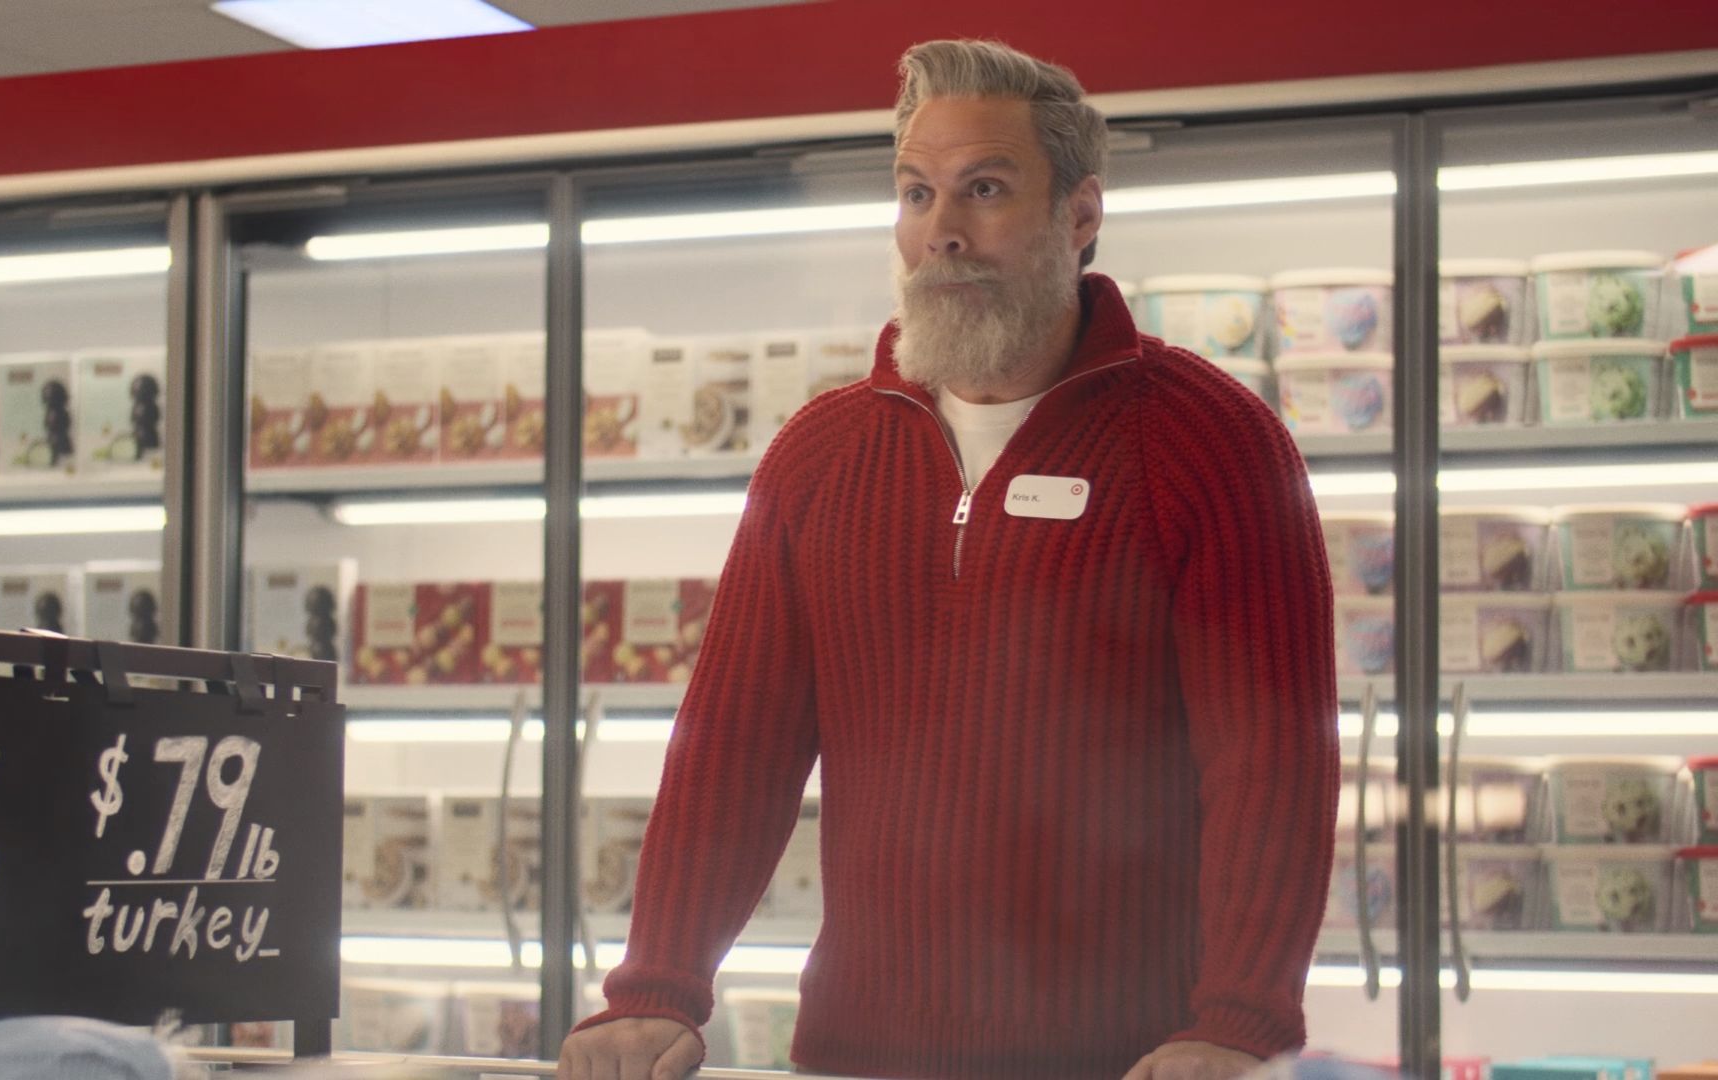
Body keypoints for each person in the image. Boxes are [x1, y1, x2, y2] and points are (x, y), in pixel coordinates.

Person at [559, 38, 1339, 1080]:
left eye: (985, 189)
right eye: (918, 194)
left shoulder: (1209, 444)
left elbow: (1271, 763)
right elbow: (732, 748)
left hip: (1130, 1062)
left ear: (1081, 214)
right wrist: (656, 987)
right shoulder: (818, 455)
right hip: (856, 1057)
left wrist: (1237, 1022)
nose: (944, 233)